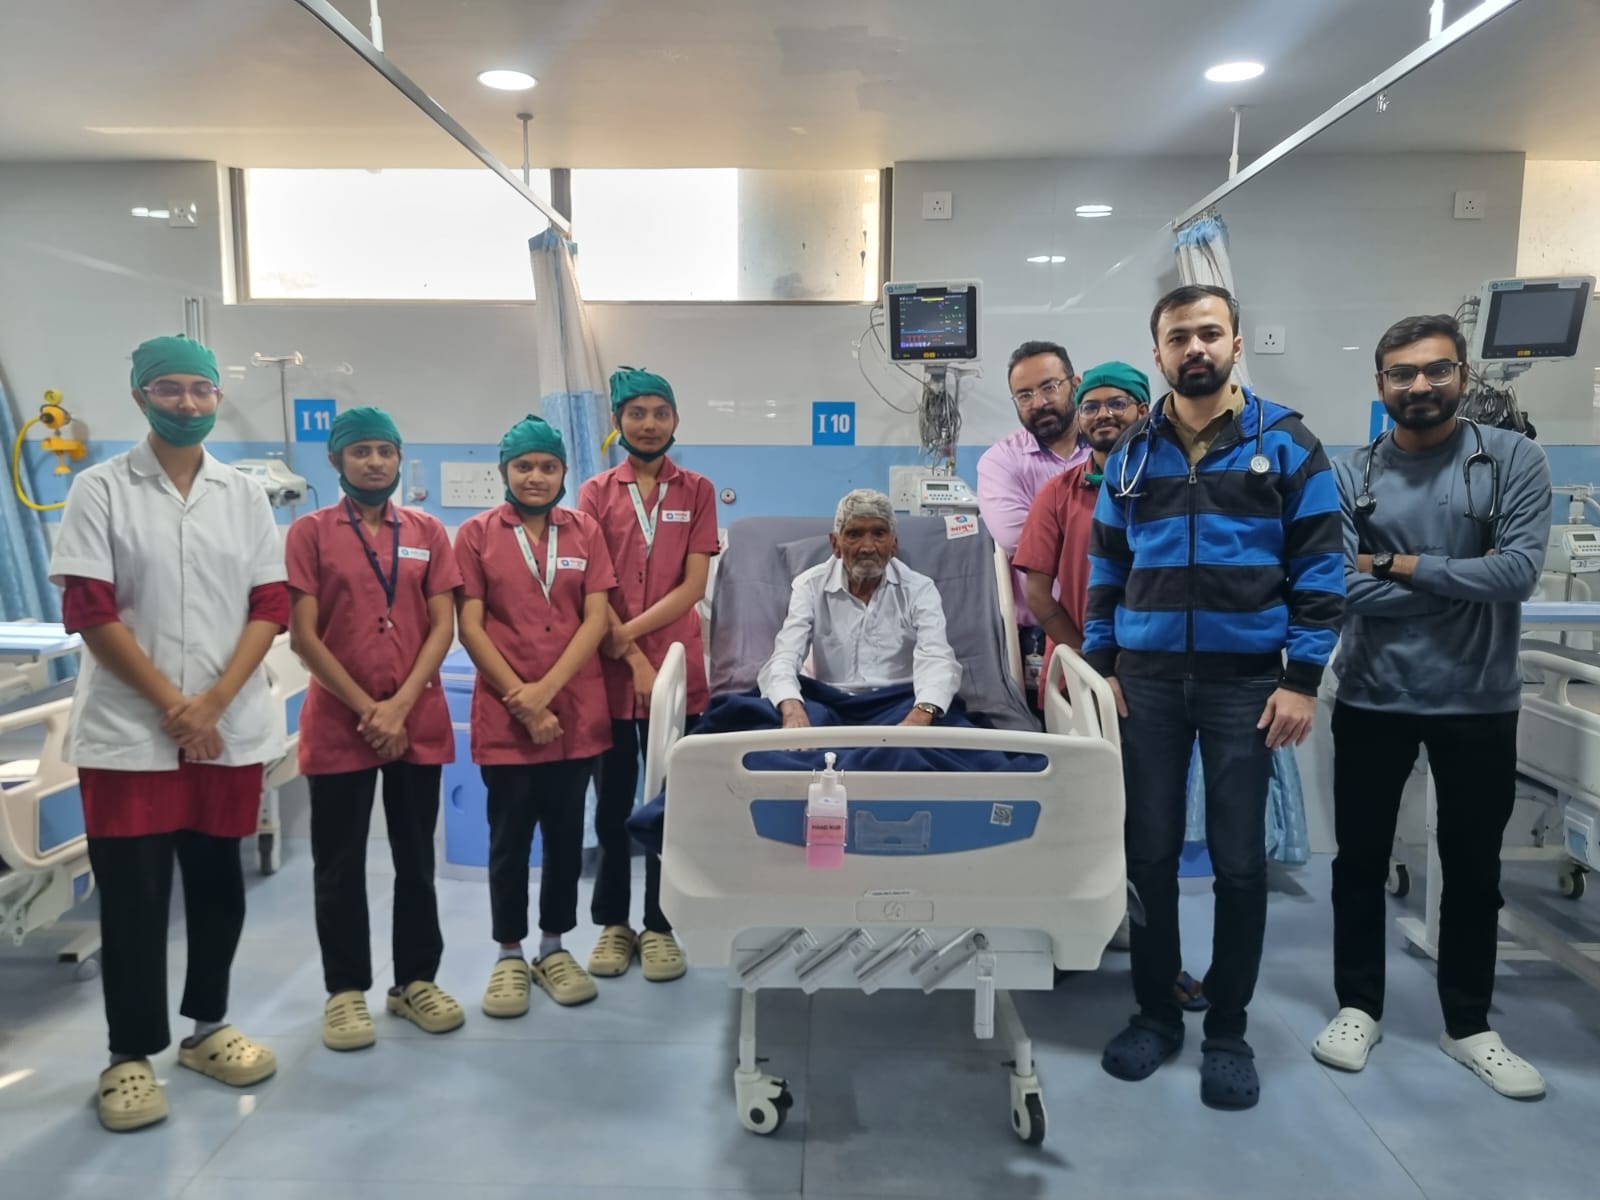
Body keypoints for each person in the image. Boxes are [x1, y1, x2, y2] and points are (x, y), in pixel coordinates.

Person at [1083, 285, 1344, 1110]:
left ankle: (1228, 1029)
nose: (1194, 348)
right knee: (1148, 855)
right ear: (1158, 352)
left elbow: (1321, 570)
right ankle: (1157, 1013)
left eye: (1208, 333)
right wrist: (1103, 664)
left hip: (1246, 684)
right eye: (1178, 337)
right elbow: (1106, 567)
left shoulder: (1289, 444)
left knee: (1239, 862)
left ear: (1235, 342)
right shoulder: (1131, 454)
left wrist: (1302, 679)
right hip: (1148, 684)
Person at [50, 335, 289, 1132]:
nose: (187, 402)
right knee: (135, 896)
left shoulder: (243, 495)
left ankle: (207, 1028)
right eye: (169, 389)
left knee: (219, 886)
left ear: (218, 398)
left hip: (226, 727)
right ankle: (129, 1055)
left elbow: (270, 605)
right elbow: (89, 608)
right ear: (140, 397)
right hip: (130, 733)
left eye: (200, 389)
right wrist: (175, 706)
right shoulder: (99, 489)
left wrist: (212, 704)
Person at [1316, 314, 1552, 1098]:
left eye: (1436, 370)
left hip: (1478, 700)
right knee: (1358, 862)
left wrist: (1394, 563)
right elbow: (1334, 587)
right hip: (1373, 696)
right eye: (1403, 373)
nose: (1420, 385)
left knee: (1475, 868)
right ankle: (1358, 1007)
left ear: (1462, 375)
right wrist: (1459, 580)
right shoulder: (1350, 474)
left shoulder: (1511, 459)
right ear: (1380, 384)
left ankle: (1468, 1024)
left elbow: (1516, 574)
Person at [285, 406, 465, 1051]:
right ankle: (345, 992)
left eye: (385, 451)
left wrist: (400, 705)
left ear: (398, 458)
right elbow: (304, 636)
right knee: (338, 863)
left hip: (416, 719)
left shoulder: (426, 531)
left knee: (417, 859)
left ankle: (415, 981)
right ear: (335, 460)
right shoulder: (309, 533)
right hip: (341, 722)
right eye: (360, 451)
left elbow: (442, 625)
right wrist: (370, 708)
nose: (375, 462)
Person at [454, 415, 615, 1017]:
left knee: (567, 836)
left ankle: (553, 947)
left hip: (573, 711)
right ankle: (508, 953)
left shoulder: (585, 532)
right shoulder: (476, 535)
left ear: (563, 472)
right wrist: (522, 698)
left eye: (548, 466)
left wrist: (545, 692)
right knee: (509, 838)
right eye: (524, 466)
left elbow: (595, 620)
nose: (536, 477)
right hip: (507, 715)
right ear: (505, 471)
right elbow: (470, 626)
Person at [578, 367, 719, 984]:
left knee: (672, 802)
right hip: (610, 674)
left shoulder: (697, 491)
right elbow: (594, 584)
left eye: (661, 412)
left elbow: (693, 586)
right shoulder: (594, 494)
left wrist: (631, 637)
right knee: (612, 802)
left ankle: (660, 925)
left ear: (676, 421)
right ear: (618, 422)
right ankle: (613, 923)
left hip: (679, 670)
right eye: (636, 413)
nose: (649, 424)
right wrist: (632, 657)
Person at [758, 489, 961, 728]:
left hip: (898, 701)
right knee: (753, 720)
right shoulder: (809, 586)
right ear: (835, 544)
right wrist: (792, 709)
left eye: (879, 534)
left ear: (894, 544)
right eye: (854, 534)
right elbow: (786, 655)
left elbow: (937, 657)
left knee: (945, 740)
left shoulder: (919, 589)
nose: (867, 547)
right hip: (829, 700)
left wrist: (920, 714)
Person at [1015, 361, 1150, 690]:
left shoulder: (1167, 487)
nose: (1103, 415)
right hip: (1082, 667)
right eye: (1090, 407)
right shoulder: (1058, 494)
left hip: (1155, 665)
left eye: (1117, 403)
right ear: (1079, 417)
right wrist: (1088, 660)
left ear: (1143, 411)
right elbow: (1038, 594)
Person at [977, 340, 1091, 702]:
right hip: (1045, 634)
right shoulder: (1000, 462)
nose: (1038, 402)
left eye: (1049, 386)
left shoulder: (1112, 447)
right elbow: (1020, 541)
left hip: (1122, 627)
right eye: (1024, 395)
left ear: (1075, 384)